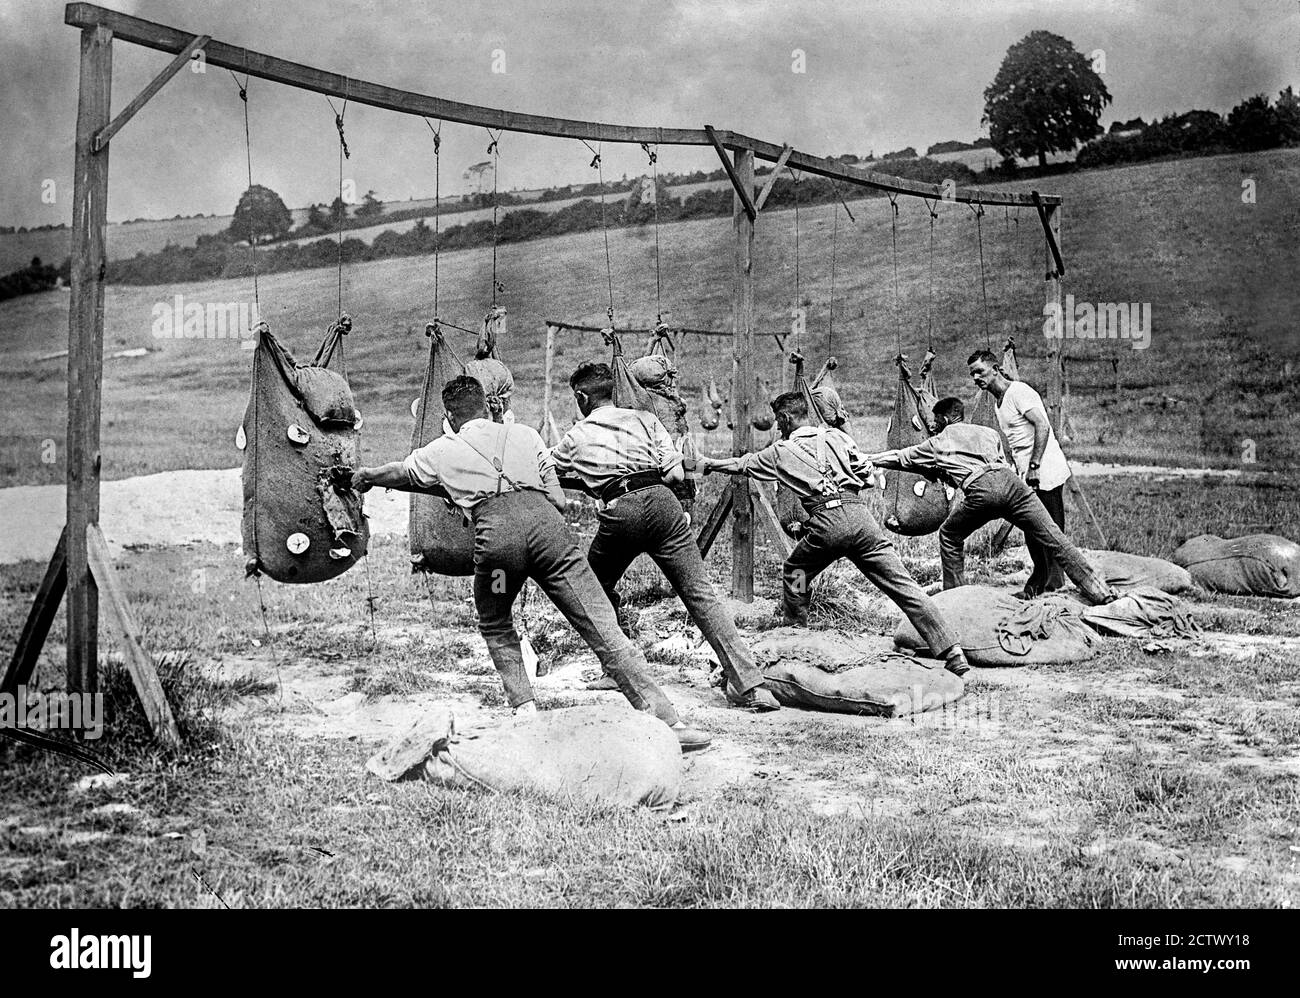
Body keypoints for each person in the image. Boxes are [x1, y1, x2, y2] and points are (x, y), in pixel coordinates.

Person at [351, 375, 711, 752]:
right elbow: (556, 498)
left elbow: (400, 472)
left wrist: (367, 477)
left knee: (495, 618)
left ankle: (525, 712)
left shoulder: (443, 448)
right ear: (488, 407)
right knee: (600, 621)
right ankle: (669, 721)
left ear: (450, 416)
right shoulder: (525, 436)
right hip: (551, 539)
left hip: (499, 552)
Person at [551, 362, 780, 712]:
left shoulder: (576, 436)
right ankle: (751, 686)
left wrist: (595, 476)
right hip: (663, 504)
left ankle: (619, 671)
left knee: (594, 590)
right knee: (700, 595)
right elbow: (674, 474)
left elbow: (549, 472)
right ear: (612, 392)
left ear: (582, 398)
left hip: (620, 511)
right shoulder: (646, 419)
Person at [699, 391, 971, 677]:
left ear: (786, 418)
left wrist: (698, 465)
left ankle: (796, 632)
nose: (778, 428)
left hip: (827, 523)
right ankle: (952, 650)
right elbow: (866, 475)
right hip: (862, 519)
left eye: (780, 421)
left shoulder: (781, 451)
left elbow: (738, 465)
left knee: (796, 570)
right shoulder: (837, 438)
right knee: (904, 586)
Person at [867, 396, 1118, 605]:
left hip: (982, 490)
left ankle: (956, 599)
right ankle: (1099, 591)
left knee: (949, 535)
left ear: (945, 419)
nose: (932, 426)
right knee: (1054, 537)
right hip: (1012, 485)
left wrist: (870, 459)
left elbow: (899, 457)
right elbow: (990, 463)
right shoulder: (989, 433)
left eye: (934, 422)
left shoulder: (938, 442)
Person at [967, 349, 1071, 597]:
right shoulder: (998, 403)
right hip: (1027, 470)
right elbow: (1015, 442)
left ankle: (1048, 584)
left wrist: (1035, 465)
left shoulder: (1019, 392)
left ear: (995, 369)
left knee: (1048, 527)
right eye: (972, 374)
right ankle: (1046, 582)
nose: (976, 378)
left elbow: (1042, 425)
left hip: (1045, 468)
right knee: (1032, 528)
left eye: (980, 372)